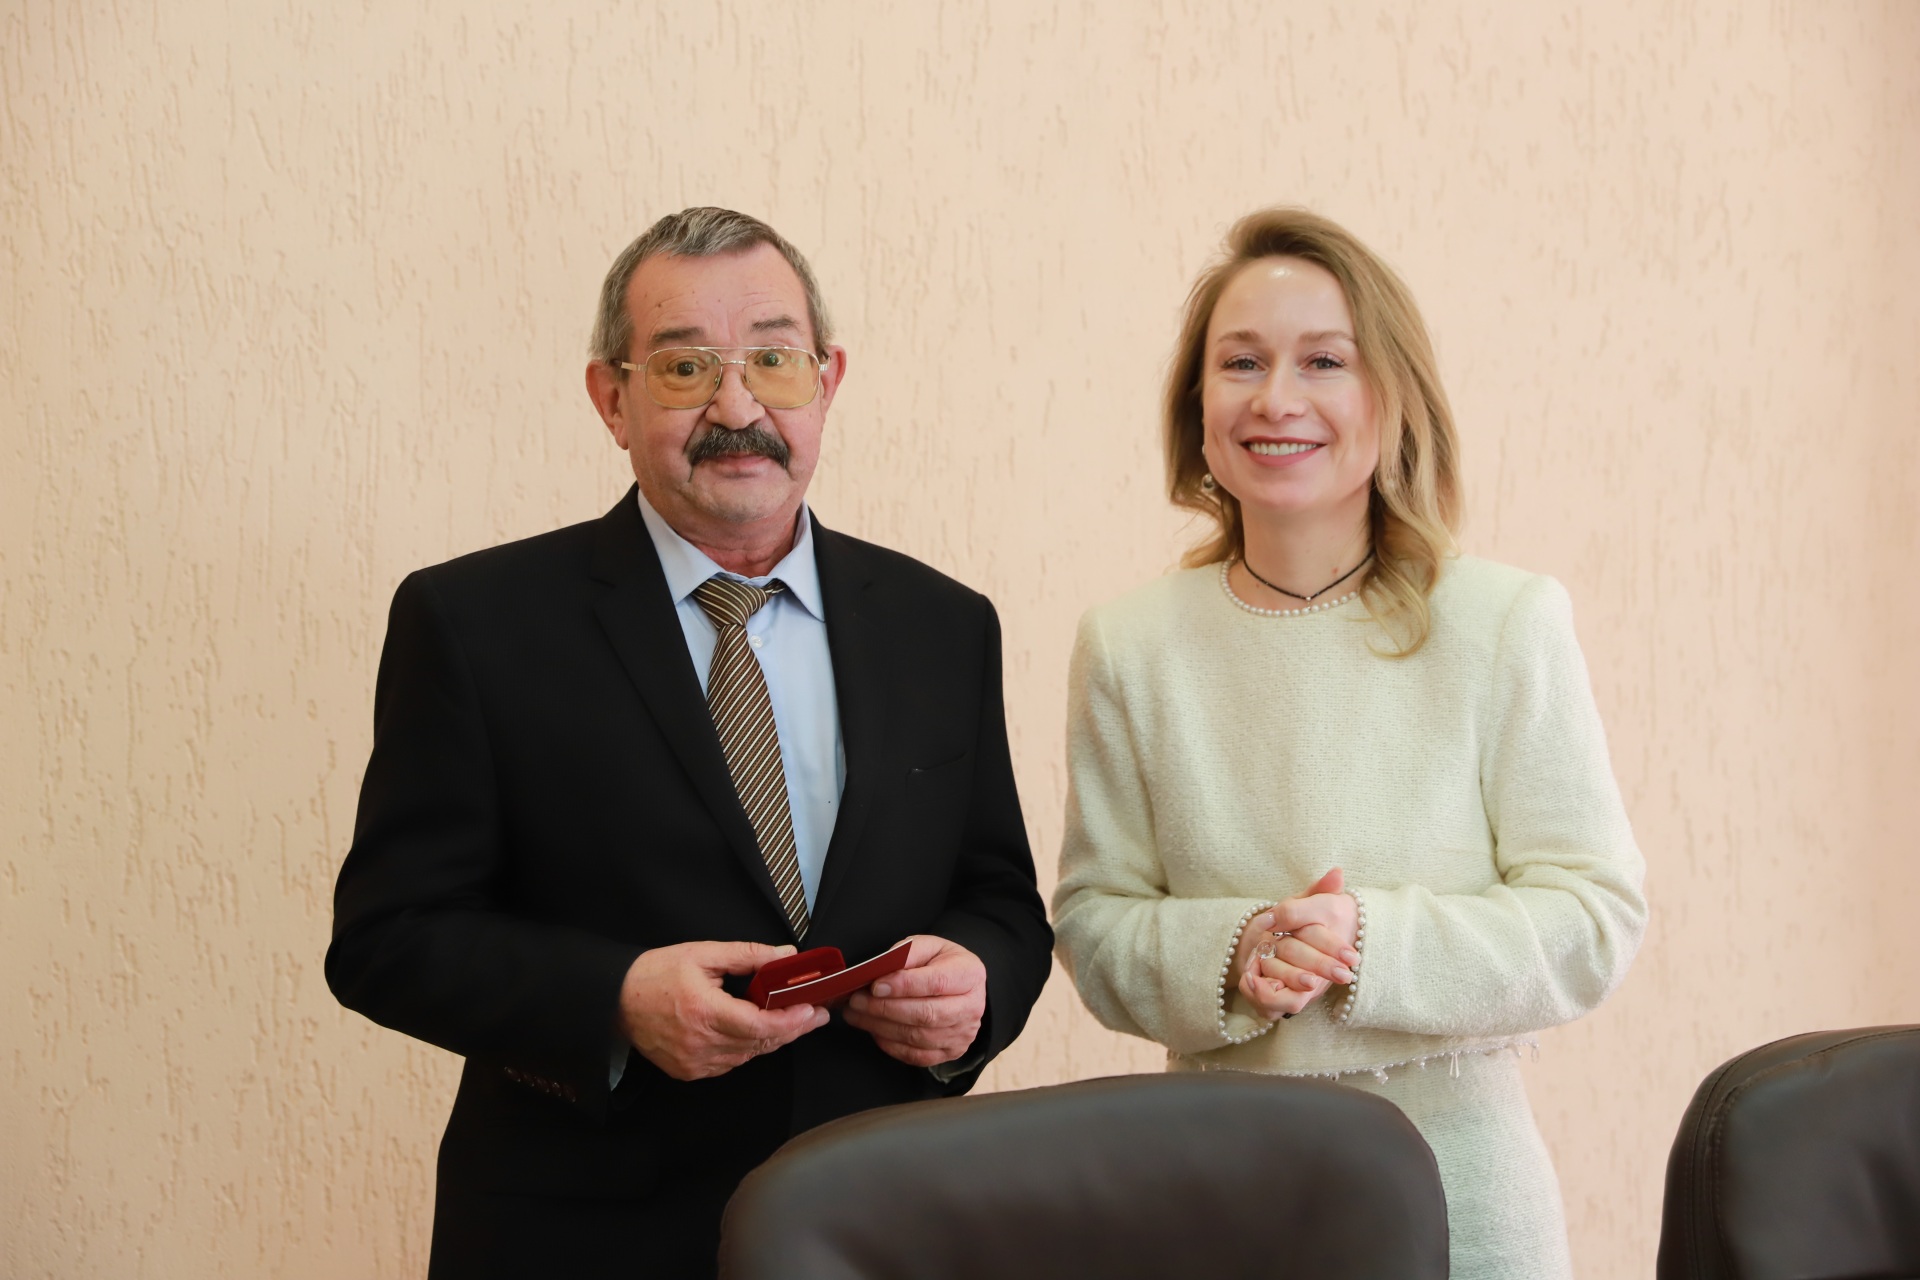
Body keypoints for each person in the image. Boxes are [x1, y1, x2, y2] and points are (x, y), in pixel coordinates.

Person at [326, 207, 1053, 1279]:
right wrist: (616, 999)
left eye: (774, 359)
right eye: (684, 367)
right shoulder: (475, 622)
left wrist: (977, 984)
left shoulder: (943, 623)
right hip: (587, 1238)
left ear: (827, 381)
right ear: (610, 399)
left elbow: (1001, 900)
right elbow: (388, 938)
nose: (738, 406)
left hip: (885, 1220)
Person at [1051, 208, 1647, 1279]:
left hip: (1464, 1201)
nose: (1276, 398)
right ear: (1197, 405)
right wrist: (1234, 951)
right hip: (1218, 1200)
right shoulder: (1130, 646)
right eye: (1241, 361)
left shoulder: (1503, 622)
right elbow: (1095, 927)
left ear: (1392, 395)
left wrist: (1366, 939)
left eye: (1324, 360)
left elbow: (1593, 916)